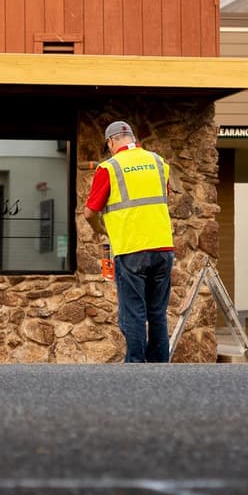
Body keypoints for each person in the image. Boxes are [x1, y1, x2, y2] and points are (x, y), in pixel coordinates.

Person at [84, 120, 175, 363]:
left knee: (133, 313)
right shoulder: (158, 163)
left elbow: (89, 212)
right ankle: (159, 368)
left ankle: (135, 367)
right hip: (163, 247)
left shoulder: (109, 168)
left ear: (111, 141)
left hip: (131, 248)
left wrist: (99, 230)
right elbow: (164, 197)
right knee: (157, 313)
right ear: (133, 138)